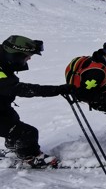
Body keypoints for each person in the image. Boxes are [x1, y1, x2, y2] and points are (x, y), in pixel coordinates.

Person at [0, 35, 73, 168]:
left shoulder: (3, 59)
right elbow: (22, 89)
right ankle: (31, 158)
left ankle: (15, 147)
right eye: (27, 56)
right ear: (14, 55)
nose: (29, 59)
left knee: (12, 120)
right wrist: (57, 89)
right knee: (28, 132)